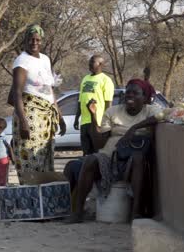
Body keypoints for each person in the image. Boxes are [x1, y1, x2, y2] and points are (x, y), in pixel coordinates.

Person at [66, 79, 161, 223]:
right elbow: (99, 143)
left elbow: (163, 116)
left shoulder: (150, 110)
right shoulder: (112, 111)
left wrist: (134, 128)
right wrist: (93, 116)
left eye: (136, 93)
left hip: (133, 159)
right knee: (91, 160)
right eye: (128, 92)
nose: (130, 96)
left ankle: (135, 214)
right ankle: (78, 212)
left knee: (138, 158)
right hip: (110, 157)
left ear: (145, 97)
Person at [11, 25, 66, 184]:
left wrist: (60, 117)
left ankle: (43, 198)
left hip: (46, 115)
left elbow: (49, 90)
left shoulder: (45, 59)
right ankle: (31, 195)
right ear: (26, 40)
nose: (34, 42)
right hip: (30, 114)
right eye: (31, 39)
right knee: (30, 156)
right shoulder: (21, 61)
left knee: (44, 156)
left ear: (41, 41)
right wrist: (23, 122)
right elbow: (17, 93)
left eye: (37, 39)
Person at [74, 55, 114, 155]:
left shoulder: (106, 80)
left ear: (100, 64)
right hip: (84, 122)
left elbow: (108, 102)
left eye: (92, 62)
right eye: (90, 61)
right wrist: (76, 117)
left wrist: (105, 123)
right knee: (86, 152)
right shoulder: (85, 78)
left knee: (97, 151)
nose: (89, 64)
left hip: (97, 122)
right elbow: (80, 100)